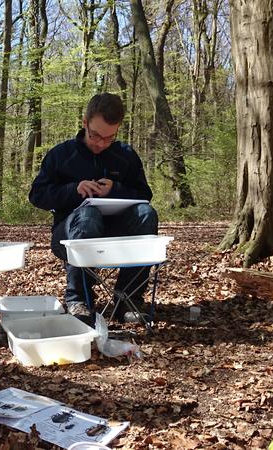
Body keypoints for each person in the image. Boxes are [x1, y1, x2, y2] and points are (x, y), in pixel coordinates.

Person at [28, 93, 158, 325]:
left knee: (147, 215)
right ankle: (78, 299)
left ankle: (128, 299)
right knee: (87, 215)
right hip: (68, 234)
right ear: (84, 122)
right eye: (95, 135)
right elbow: (37, 196)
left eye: (109, 138)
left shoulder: (125, 156)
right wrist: (73, 190)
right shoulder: (62, 155)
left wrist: (115, 190)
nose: (100, 143)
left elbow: (144, 196)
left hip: (115, 233)